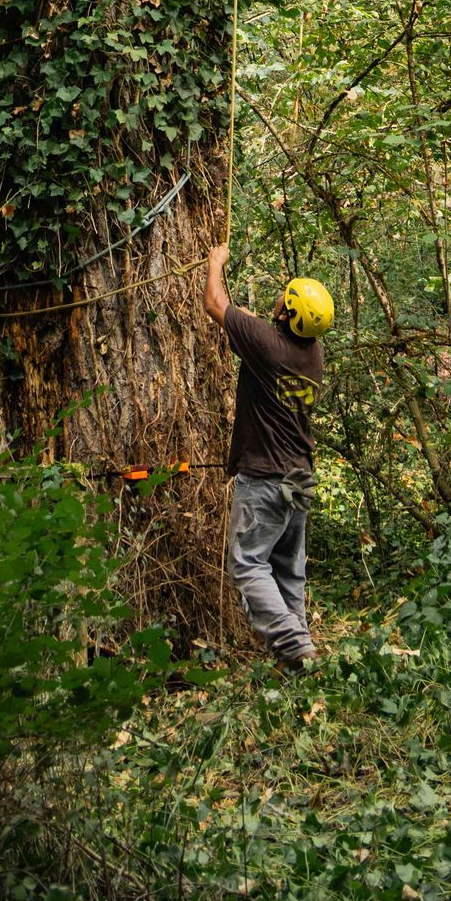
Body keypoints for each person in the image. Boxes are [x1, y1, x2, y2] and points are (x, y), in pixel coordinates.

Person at [203, 241, 335, 674]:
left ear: (287, 313)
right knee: (287, 569)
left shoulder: (267, 344)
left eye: (286, 295)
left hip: (266, 476)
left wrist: (215, 263)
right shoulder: (310, 351)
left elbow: (214, 304)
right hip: (300, 473)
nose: (281, 294)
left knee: (248, 563)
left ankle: (295, 646)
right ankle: (299, 661)